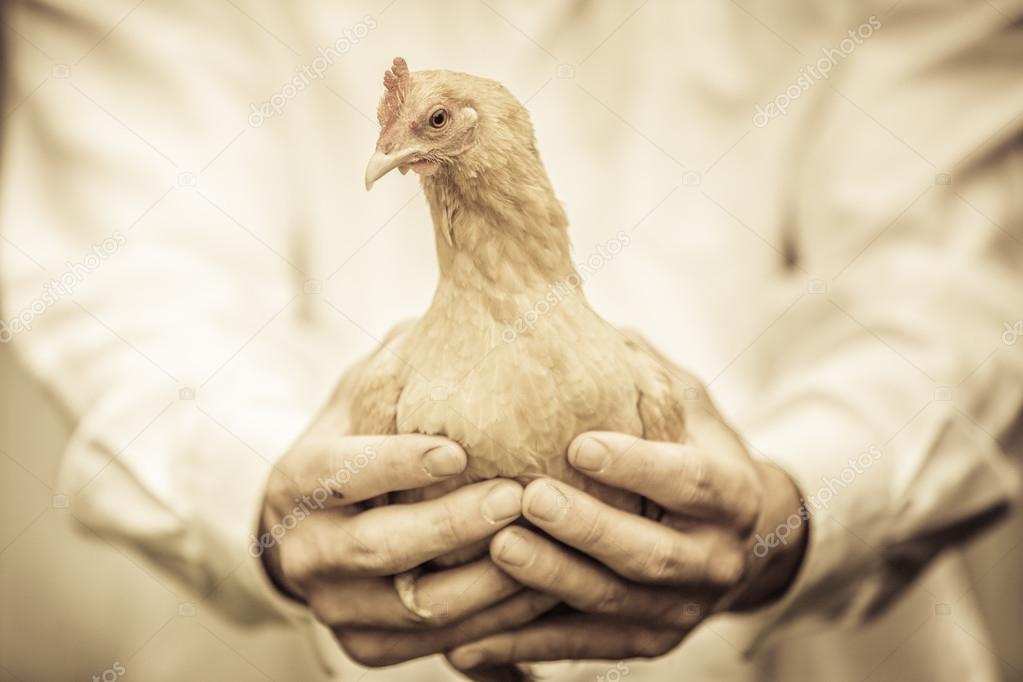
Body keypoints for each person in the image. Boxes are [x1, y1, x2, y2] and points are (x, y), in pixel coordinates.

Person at [1, 1, 1020, 680]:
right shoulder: (400, 378)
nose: (392, 152)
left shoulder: (633, 378)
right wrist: (276, 508)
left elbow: (960, 282)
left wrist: (797, 510)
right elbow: (131, 264)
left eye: (432, 125)